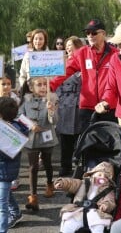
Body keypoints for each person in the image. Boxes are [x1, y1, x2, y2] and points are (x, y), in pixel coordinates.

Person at [50, 19, 118, 134]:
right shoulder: (82, 53)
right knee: (88, 146)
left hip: (109, 108)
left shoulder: (115, 54)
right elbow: (64, 71)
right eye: (87, 33)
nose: (90, 36)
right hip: (87, 109)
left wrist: (108, 101)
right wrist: (50, 86)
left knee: (110, 146)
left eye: (94, 32)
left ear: (104, 34)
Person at [18, 77, 59, 211]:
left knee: (47, 163)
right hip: (31, 138)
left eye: (44, 84)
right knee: (33, 167)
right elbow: (20, 116)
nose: (43, 87)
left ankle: (49, 183)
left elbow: (54, 121)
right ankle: (33, 196)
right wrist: (30, 125)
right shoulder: (26, 100)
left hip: (47, 137)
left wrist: (51, 110)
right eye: (39, 85)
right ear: (31, 88)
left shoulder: (51, 99)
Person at [54, 161, 116, 233]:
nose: (102, 177)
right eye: (99, 174)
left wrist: (106, 205)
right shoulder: (83, 183)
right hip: (78, 210)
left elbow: (110, 200)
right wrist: (62, 183)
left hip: (96, 213)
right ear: (92, 174)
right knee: (69, 223)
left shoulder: (108, 190)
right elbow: (71, 183)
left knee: (99, 226)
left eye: (106, 177)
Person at [55, 36, 83, 177]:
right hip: (65, 104)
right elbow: (55, 83)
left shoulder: (85, 62)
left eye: (71, 45)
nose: (68, 48)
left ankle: (79, 166)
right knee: (65, 139)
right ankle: (65, 166)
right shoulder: (62, 63)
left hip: (80, 103)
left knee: (80, 138)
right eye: (66, 46)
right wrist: (58, 98)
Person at [0, 97, 28, 231]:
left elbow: (6, 153)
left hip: (4, 172)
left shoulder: (10, 131)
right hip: (6, 171)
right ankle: (16, 213)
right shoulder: (18, 127)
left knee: (1, 205)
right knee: (5, 196)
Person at [0, 74, 21, 191]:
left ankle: (14, 178)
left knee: (11, 155)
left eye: (8, 84)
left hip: (11, 132)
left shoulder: (16, 99)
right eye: (3, 84)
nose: (6, 86)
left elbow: (19, 115)